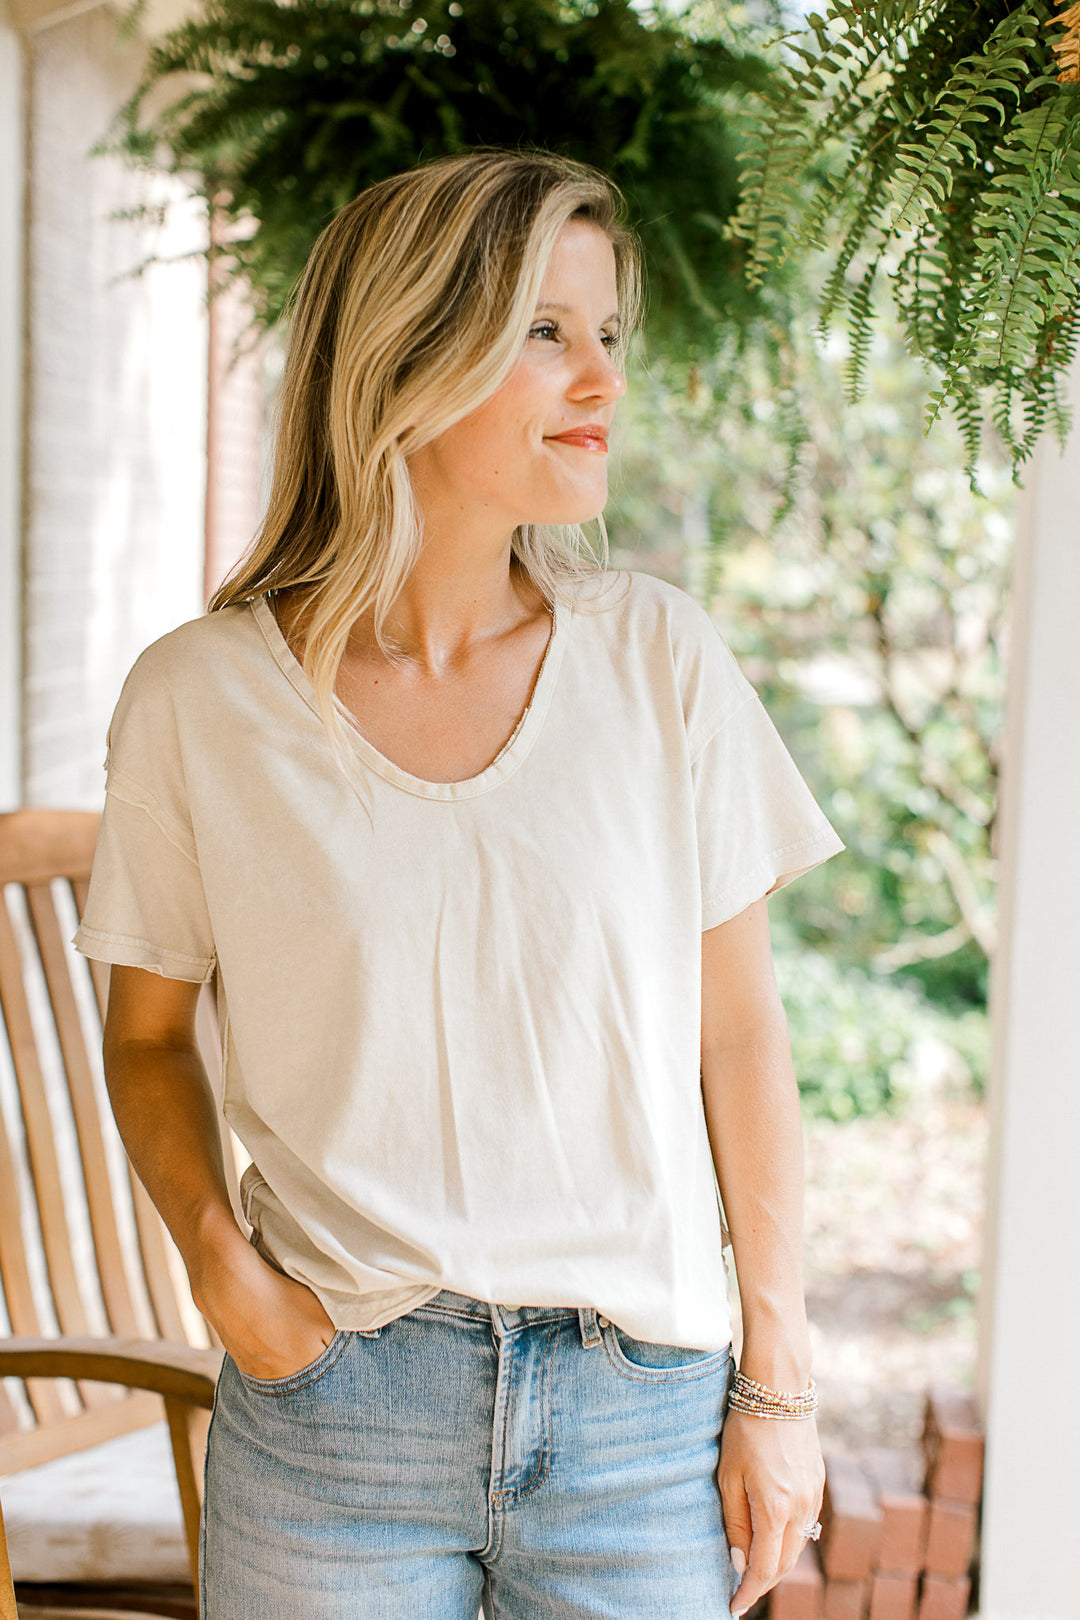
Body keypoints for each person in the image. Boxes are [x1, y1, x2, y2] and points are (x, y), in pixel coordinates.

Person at [75, 149, 844, 1619]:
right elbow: (148, 1038)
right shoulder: (199, 699)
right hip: (334, 1418)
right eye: (545, 333)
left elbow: (738, 1034)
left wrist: (780, 1380)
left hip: (640, 1421)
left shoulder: (660, 663)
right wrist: (224, 1272)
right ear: (408, 354)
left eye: (608, 333)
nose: (602, 380)